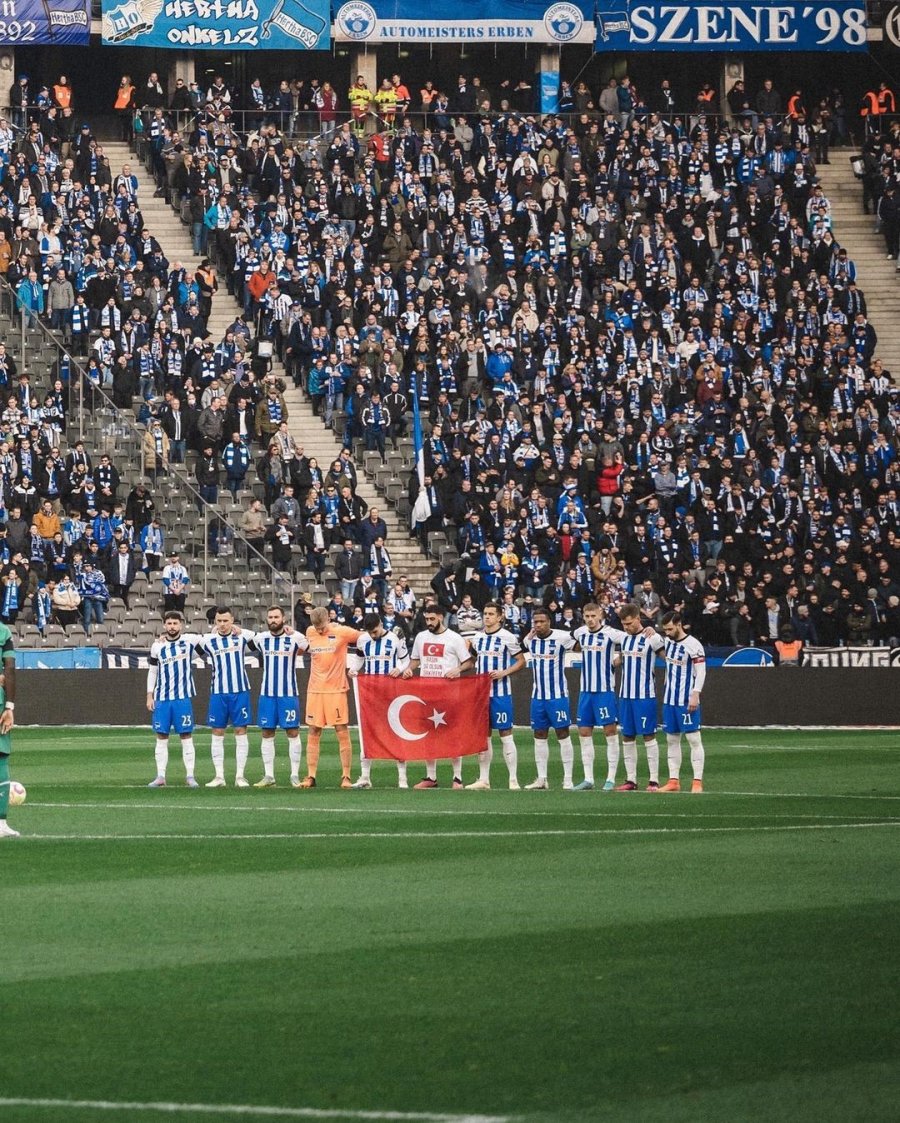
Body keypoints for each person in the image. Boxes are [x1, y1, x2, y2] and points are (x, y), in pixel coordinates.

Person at [405, 602, 473, 789]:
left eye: (432, 619)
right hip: (427, 692)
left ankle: (457, 777)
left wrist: (457, 669)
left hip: (449, 693)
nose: (429, 622)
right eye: (426, 619)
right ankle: (431, 776)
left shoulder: (454, 638)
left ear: (441, 617)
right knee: (429, 733)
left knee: (452, 734)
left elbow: (468, 662)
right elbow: (415, 660)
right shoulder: (421, 637)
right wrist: (409, 669)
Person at [298, 607, 361, 789]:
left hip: (336, 690)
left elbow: (364, 638)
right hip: (315, 690)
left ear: (328, 619)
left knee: (341, 730)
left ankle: (346, 776)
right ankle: (311, 776)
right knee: (313, 731)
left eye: (322, 627)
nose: (319, 630)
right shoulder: (310, 631)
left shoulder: (342, 631)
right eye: (316, 627)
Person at [604, 604, 665, 791]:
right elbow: (621, 658)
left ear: (638, 619)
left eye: (629, 623)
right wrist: (611, 664)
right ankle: (631, 780)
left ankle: (654, 780)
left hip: (645, 695)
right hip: (625, 696)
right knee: (628, 736)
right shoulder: (624, 638)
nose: (626, 627)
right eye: (624, 624)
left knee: (648, 736)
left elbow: (668, 658)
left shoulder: (652, 638)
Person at [466, 601, 526, 790]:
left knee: (505, 734)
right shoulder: (478, 637)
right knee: (484, 736)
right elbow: (473, 659)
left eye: (491, 614)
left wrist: (503, 673)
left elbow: (521, 661)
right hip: (481, 695)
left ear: (500, 617)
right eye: (485, 613)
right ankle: (484, 779)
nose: (487, 617)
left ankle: (513, 780)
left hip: (501, 693)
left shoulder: (507, 637)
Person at [248, 606, 309, 788]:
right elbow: (242, 639)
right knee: (267, 732)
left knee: (293, 732)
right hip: (267, 694)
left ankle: (294, 775)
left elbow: (312, 648)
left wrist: (295, 632)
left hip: (288, 694)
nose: (273, 620)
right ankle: (269, 775)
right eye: (270, 617)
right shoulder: (261, 638)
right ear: (266, 620)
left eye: (276, 617)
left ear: (284, 618)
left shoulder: (294, 638)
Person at [350, 613, 411, 790]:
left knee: (396, 733)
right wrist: (353, 669)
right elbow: (359, 658)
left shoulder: (394, 638)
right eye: (370, 632)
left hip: (391, 693)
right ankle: (365, 777)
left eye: (375, 631)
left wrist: (398, 669)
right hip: (369, 694)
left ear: (381, 624)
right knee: (366, 734)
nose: (373, 635)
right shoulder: (363, 640)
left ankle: (402, 778)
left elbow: (405, 660)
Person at [198, 607, 255, 788]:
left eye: (226, 621)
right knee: (217, 732)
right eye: (219, 621)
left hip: (240, 691)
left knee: (241, 731)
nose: (222, 624)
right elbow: (186, 647)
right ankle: (219, 776)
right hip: (218, 692)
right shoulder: (208, 640)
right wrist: (162, 639)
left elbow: (261, 637)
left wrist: (241, 630)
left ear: (232, 621)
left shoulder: (241, 637)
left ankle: (240, 776)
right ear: (215, 622)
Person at [146, 611, 204, 789]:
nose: (172, 626)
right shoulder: (157, 646)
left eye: (175, 623)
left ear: (181, 625)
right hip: (162, 698)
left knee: (186, 736)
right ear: (164, 625)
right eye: (169, 623)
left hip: (182, 698)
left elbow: (206, 644)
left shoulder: (189, 642)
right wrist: (149, 694)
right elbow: (153, 671)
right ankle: (161, 776)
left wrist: (221, 629)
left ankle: (190, 776)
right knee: (161, 736)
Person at [522, 606, 577, 791]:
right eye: (535, 622)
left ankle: (568, 779)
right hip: (537, 697)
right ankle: (542, 779)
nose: (538, 625)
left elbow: (579, 646)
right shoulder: (530, 640)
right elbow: (524, 644)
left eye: (542, 621)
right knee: (539, 735)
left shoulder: (562, 638)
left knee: (563, 733)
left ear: (549, 622)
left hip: (558, 696)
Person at [572, 601, 621, 792]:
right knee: (584, 733)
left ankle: (610, 778)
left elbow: (632, 640)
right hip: (585, 692)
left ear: (600, 615)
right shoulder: (580, 633)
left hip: (604, 691)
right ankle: (588, 779)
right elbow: (572, 643)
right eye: (587, 616)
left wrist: (616, 662)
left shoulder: (611, 633)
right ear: (583, 617)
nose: (590, 620)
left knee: (610, 732)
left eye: (593, 616)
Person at [658, 610, 706, 793]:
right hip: (669, 699)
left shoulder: (694, 645)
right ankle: (673, 781)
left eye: (670, 629)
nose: (667, 632)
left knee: (693, 738)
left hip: (686, 699)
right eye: (665, 630)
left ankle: (697, 782)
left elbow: (701, 671)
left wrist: (695, 694)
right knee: (671, 739)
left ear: (679, 625)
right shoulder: (668, 641)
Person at [0, 622, 18, 837]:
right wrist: (9, 707)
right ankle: (1, 823)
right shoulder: (3, 631)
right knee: (1, 758)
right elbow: (10, 668)